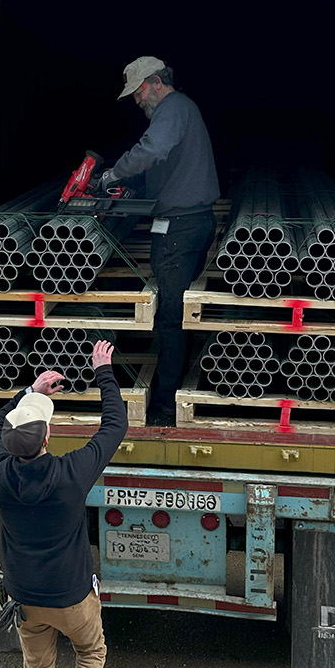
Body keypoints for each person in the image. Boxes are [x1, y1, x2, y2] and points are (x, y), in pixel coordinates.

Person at [0, 340, 128, 668]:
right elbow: (114, 426)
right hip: (72, 597)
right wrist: (102, 370)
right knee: (91, 652)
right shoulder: (70, 475)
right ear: (47, 437)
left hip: (25, 598)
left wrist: (31, 391)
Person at [101, 56, 220, 426]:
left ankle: (166, 406)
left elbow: (152, 150)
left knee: (170, 319)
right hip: (192, 222)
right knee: (179, 313)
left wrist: (110, 176)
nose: (136, 102)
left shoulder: (172, 107)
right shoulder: (182, 111)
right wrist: (130, 185)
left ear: (155, 82)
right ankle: (178, 386)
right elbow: (162, 167)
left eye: (137, 92)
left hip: (178, 230)